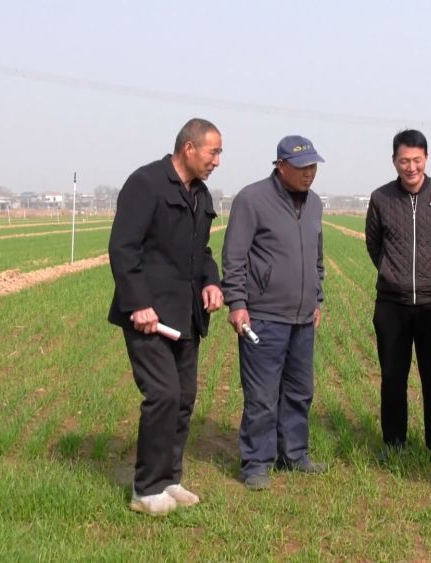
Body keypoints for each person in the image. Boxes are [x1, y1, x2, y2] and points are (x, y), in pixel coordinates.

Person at [107, 118, 225, 516]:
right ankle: (146, 489)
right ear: (189, 148)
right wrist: (138, 303)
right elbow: (123, 248)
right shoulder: (146, 183)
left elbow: (201, 252)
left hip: (187, 314)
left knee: (184, 399)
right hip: (149, 317)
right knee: (162, 395)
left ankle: (169, 477)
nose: (217, 161)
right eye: (213, 152)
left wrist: (211, 282)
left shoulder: (201, 195)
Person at [222, 135, 327, 491]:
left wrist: (316, 298)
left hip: (302, 319)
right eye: (301, 167)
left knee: (300, 391)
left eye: (312, 166)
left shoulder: (314, 204)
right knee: (262, 396)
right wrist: (237, 304)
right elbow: (234, 256)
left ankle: (294, 454)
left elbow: (316, 258)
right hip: (263, 317)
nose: (308, 173)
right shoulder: (252, 200)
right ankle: (256, 463)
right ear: (281, 165)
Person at [365, 129, 431, 467]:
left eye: (417, 160)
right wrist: (391, 272)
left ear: (426, 158)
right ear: (394, 161)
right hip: (391, 304)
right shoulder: (381, 198)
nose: (411, 167)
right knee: (393, 376)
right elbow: (373, 243)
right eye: (404, 161)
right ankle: (394, 442)